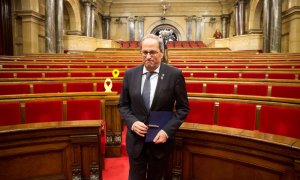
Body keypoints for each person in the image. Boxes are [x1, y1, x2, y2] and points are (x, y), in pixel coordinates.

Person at [118, 34, 190, 180]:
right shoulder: (130, 74)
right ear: (140, 53)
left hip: (160, 141)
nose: (148, 56)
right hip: (136, 141)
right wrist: (132, 123)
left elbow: (183, 108)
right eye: (145, 52)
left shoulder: (174, 75)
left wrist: (166, 131)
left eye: (153, 52)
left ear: (161, 53)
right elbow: (123, 105)